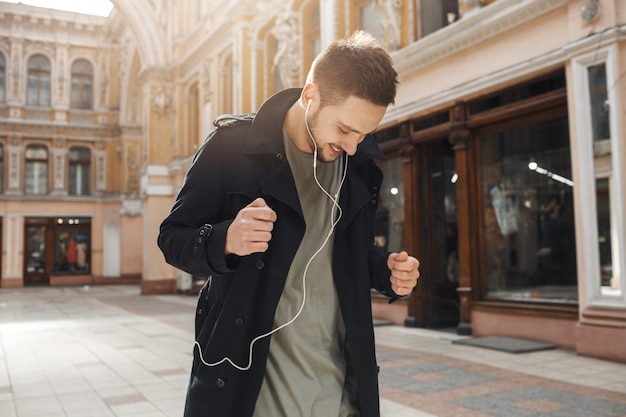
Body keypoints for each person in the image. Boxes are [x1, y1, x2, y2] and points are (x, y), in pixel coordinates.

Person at [158, 30, 420, 417]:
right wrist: (226, 238)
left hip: (341, 393)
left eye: (365, 133)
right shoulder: (230, 148)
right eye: (345, 130)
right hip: (250, 390)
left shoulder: (359, 166)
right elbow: (172, 239)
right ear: (310, 95)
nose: (352, 145)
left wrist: (386, 272)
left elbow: (348, 256)